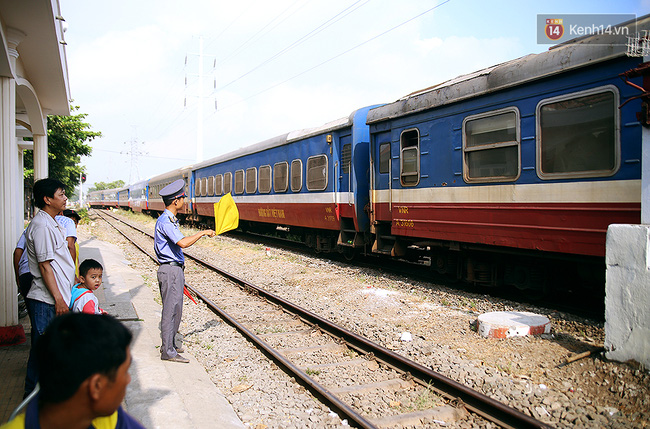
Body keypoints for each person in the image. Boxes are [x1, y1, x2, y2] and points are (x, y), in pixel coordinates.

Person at [1, 313, 145, 429]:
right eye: (125, 372)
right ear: (96, 386)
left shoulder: (110, 418)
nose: (128, 379)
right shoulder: (106, 418)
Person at [23, 178, 76, 397]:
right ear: (47, 199)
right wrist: (59, 299)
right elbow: (45, 267)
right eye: (61, 194)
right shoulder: (43, 226)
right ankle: (31, 406)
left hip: (51, 300)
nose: (65, 198)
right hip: (47, 301)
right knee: (42, 356)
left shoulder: (50, 222)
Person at [155, 179, 214, 363]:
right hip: (170, 270)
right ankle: (168, 351)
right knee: (170, 310)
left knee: (176, 309)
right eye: (182, 198)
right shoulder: (166, 221)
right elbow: (183, 243)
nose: (184, 201)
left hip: (174, 270)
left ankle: (171, 344)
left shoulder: (170, 220)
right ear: (175, 201)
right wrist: (202, 233)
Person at [55, 208, 81, 280]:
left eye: (75, 222)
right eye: (71, 222)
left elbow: (77, 261)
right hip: (66, 275)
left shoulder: (75, 242)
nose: (73, 225)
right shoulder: (63, 241)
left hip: (73, 276)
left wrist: (77, 275)